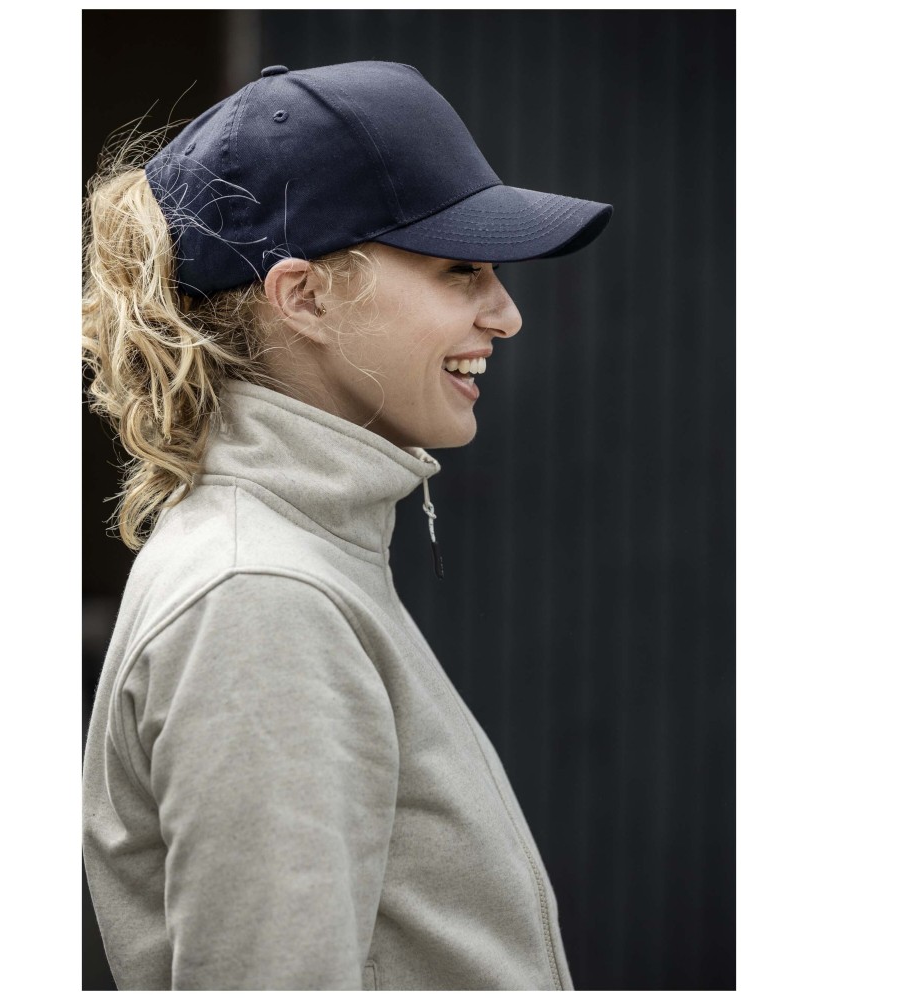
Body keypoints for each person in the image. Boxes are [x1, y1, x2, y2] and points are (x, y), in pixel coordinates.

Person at [82, 60, 612, 990]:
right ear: (305, 298)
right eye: (461, 269)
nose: (506, 314)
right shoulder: (260, 598)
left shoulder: (295, 557)